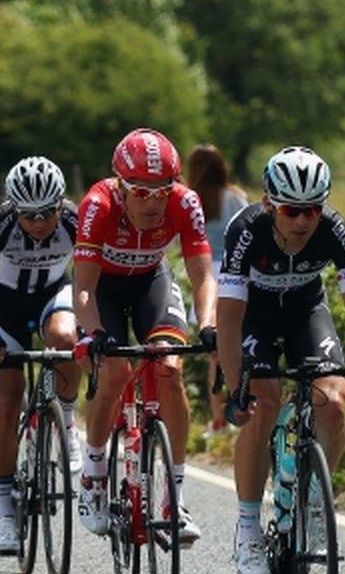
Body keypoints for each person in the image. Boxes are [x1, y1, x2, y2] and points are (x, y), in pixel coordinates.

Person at [217, 146, 345, 573]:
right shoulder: (246, 232)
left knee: (333, 402)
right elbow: (228, 318)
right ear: (269, 203)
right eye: (291, 210)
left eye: (312, 210)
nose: (301, 221)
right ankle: (247, 528)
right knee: (265, 404)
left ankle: (314, 504)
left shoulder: (336, 230)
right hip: (253, 316)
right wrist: (234, 384)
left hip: (305, 311)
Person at [72, 128, 216, 547]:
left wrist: (207, 323)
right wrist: (94, 334)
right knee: (114, 372)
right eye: (140, 192)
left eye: (161, 191)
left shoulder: (185, 202)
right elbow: (82, 288)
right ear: (119, 185)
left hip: (152, 281)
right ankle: (95, 470)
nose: (152, 202)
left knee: (169, 367)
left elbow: (204, 275)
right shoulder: (97, 205)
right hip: (104, 290)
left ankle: (175, 499)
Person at [0, 156, 82, 554]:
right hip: (7, 308)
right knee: (8, 399)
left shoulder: (74, 220)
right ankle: (4, 513)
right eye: (29, 215)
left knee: (65, 338)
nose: (39, 222)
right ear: (14, 209)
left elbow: (91, 276)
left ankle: (67, 423)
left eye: (47, 213)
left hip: (53, 295)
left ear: (60, 204)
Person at [186, 144, 249, 438]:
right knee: (240, 345)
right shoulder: (235, 198)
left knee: (216, 352)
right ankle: (243, 407)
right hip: (235, 274)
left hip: (206, 273)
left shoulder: (193, 200)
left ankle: (217, 419)